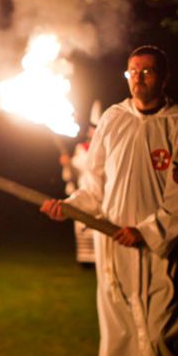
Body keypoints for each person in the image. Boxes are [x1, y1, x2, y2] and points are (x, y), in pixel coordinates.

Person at [40, 45, 178, 356]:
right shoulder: (113, 121)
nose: (139, 78)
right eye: (132, 72)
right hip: (114, 248)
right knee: (120, 336)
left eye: (148, 71)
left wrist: (148, 230)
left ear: (164, 77)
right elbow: (97, 184)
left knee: (159, 338)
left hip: (159, 251)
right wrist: (71, 207)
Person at [60, 100, 101, 267]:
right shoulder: (81, 148)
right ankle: (85, 261)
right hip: (83, 191)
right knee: (82, 228)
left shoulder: (107, 148)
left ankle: (98, 260)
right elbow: (72, 174)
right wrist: (67, 164)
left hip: (100, 193)